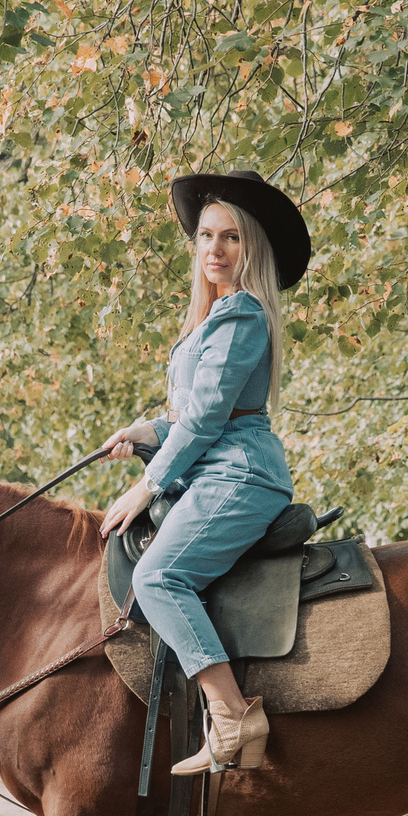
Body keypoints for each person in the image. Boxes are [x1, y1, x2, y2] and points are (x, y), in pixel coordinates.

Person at [98, 170, 313, 773]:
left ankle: (232, 714)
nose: (215, 249)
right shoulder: (211, 316)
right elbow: (194, 416)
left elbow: (206, 421)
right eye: (206, 236)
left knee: (159, 578)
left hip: (239, 476)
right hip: (215, 467)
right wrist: (146, 432)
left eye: (231, 238)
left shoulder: (241, 314)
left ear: (253, 248)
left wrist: (146, 487)